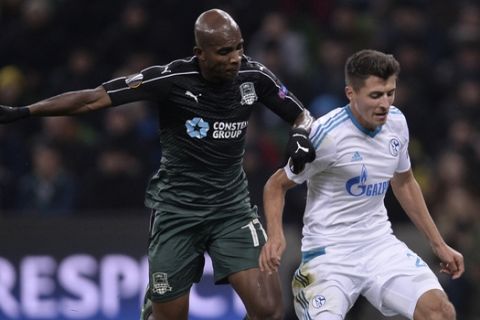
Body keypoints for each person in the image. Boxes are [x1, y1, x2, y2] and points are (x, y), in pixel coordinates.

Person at [0, 8, 316, 320]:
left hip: (231, 209)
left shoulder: (255, 76)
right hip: (177, 213)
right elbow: (92, 98)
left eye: (239, 47)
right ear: (200, 53)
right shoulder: (171, 80)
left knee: (270, 311)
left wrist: (300, 134)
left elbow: (301, 113)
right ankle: (156, 302)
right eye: (224, 51)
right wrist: (26, 111)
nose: (235, 57)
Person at [259, 49, 464, 320]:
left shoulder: (397, 123)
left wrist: (438, 244)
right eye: (375, 95)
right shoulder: (326, 136)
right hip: (328, 255)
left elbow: (404, 182)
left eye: (390, 93)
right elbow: (276, 185)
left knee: (440, 311)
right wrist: (275, 236)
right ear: (351, 93)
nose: (385, 104)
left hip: (379, 246)